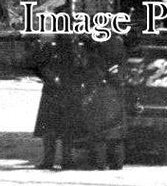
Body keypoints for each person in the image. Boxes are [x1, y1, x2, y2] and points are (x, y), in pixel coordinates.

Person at [77, 35, 127, 169]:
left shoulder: (97, 47)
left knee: (100, 129)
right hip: (115, 90)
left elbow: (92, 68)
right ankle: (117, 163)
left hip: (101, 89)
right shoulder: (117, 42)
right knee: (116, 129)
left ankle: (101, 162)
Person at [33, 34, 79, 170]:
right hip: (52, 92)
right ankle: (49, 160)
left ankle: (67, 160)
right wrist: (51, 78)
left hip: (67, 91)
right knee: (49, 128)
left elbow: (79, 66)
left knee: (67, 127)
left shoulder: (73, 47)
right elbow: (38, 66)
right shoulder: (50, 47)